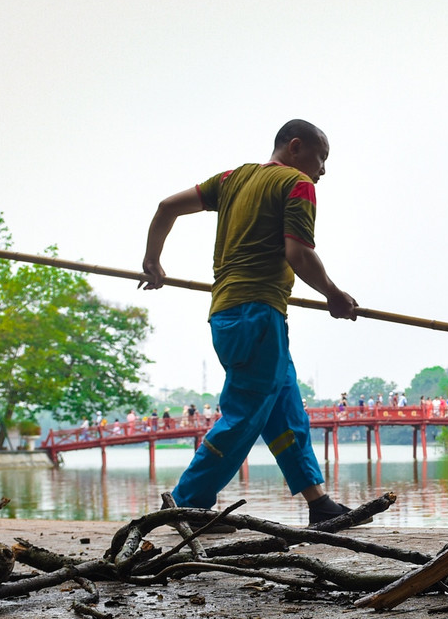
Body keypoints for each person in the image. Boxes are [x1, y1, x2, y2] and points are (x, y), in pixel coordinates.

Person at [140, 119, 362, 527]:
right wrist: (332, 293)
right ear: (295, 147)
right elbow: (298, 254)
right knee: (243, 415)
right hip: (257, 314)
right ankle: (187, 502)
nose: (323, 170)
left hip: (229, 314)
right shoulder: (296, 184)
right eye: (322, 157)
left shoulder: (232, 179)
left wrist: (152, 259)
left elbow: (166, 208)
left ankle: (318, 503)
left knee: (285, 409)